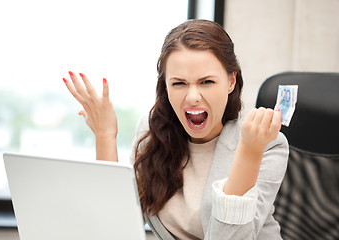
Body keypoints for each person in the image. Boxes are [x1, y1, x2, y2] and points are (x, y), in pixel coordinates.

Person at [63, 19, 289, 240]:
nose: (192, 98)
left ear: (231, 82)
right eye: (179, 83)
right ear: (166, 86)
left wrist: (249, 152)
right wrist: (105, 136)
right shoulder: (151, 132)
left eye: (206, 82)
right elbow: (114, 226)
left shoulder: (268, 145)